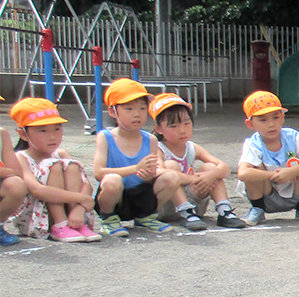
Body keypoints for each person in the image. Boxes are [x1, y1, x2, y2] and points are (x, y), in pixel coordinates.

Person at [93, 78, 181, 236]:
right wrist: (134, 169)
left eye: (142, 108)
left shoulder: (150, 139)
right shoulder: (105, 137)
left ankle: (146, 216)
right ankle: (108, 219)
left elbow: (150, 177)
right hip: (116, 196)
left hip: (141, 195)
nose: (137, 114)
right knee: (112, 180)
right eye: (129, 109)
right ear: (113, 111)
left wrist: (148, 175)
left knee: (171, 177)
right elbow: (98, 173)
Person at [151, 93, 246, 231]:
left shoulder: (192, 148)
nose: (182, 130)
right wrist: (193, 178)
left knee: (211, 168)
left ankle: (224, 211)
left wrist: (209, 176)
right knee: (171, 166)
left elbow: (224, 168)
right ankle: (186, 212)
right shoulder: (158, 148)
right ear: (159, 129)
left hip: (194, 202)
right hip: (166, 203)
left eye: (186, 123)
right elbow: (158, 172)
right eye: (173, 126)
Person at [236, 90, 299, 226]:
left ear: (282, 117)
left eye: (275, 117)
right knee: (254, 169)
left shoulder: (292, 136)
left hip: (294, 191)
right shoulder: (253, 144)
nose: (271, 124)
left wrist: (292, 172)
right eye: (263, 120)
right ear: (250, 124)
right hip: (266, 194)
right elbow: (243, 173)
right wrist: (273, 175)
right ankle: (257, 209)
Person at [9, 98, 89, 243]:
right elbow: (37, 190)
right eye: (43, 131)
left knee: (70, 165)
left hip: (72, 214)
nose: (52, 136)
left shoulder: (62, 153)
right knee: (52, 165)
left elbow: (85, 183)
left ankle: (76, 223)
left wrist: (79, 209)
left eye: (57, 129)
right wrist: (82, 199)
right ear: (23, 134)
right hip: (36, 218)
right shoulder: (21, 158)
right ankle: (60, 224)